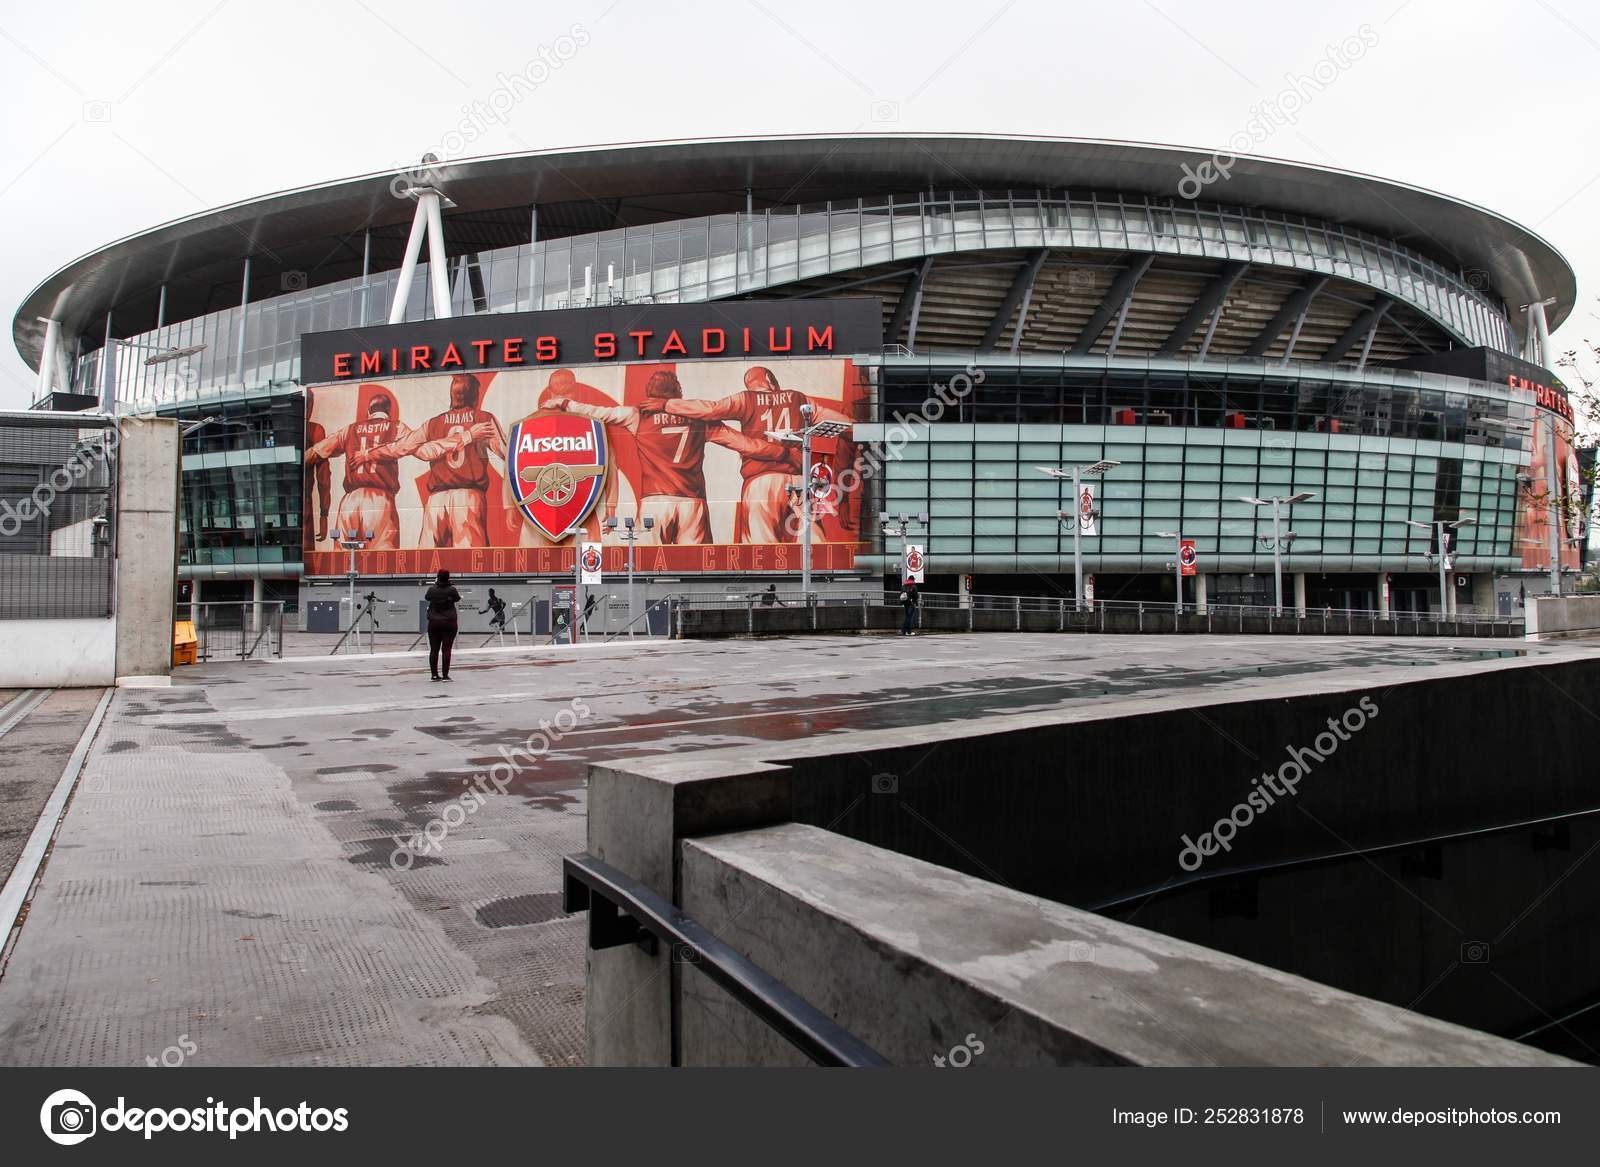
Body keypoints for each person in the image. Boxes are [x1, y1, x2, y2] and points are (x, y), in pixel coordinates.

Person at [548, 371, 790, 545]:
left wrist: (565, 402)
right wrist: (783, 452)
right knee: (694, 570)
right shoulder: (701, 420)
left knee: (647, 570)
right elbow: (745, 445)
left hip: (655, 501)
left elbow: (597, 413)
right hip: (692, 502)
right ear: (678, 393)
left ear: (649, 393)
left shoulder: (636, 415)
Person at [425, 569, 460, 681]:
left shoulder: (432, 589)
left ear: (437, 577)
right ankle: (445, 675)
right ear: (448, 577)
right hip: (449, 622)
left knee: (434, 649)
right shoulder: (452, 589)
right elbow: (457, 598)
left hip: (434, 622)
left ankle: (434, 675)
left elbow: (427, 597)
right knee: (446, 649)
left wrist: (436, 584)